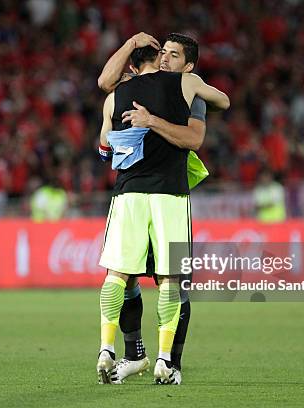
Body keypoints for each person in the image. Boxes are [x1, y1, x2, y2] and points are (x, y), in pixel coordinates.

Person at [96, 44, 229, 385]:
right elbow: (224, 102)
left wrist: (143, 125)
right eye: (164, 53)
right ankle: (154, 358)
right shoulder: (185, 88)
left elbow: (104, 148)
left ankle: (113, 350)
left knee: (120, 274)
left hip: (130, 194)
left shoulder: (119, 94)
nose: (167, 59)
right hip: (169, 195)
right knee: (167, 279)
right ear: (156, 59)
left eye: (174, 55)